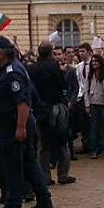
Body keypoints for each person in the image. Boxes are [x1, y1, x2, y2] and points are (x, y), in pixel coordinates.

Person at [0, 36, 53, 208]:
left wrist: (20, 127)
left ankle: (13, 206)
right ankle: (44, 200)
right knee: (29, 164)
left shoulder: (12, 72)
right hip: (15, 123)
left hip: (13, 124)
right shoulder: (11, 68)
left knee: (13, 166)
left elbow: (22, 102)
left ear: (0, 53)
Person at [27, 42, 76, 185]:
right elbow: (62, 84)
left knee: (43, 145)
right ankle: (63, 175)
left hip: (40, 110)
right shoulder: (54, 66)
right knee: (62, 142)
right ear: (50, 53)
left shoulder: (31, 68)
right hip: (56, 108)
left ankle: (45, 177)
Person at [83, 53, 104, 159]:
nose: (94, 63)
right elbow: (86, 90)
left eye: (96, 61)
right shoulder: (90, 75)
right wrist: (87, 104)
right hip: (93, 103)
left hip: (103, 103)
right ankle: (94, 150)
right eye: (93, 61)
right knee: (94, 128)